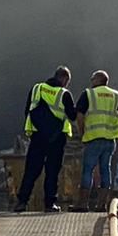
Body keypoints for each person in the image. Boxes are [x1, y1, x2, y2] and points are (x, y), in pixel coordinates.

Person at [15, 66, 78, 213]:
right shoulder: (64, 94)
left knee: (31, 170)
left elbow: (27, 110)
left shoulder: (37, 88)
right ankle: (49, 204)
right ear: (64, 79)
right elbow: (72, 116)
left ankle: (21, 202)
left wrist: (33, 129)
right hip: (56, 138)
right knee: (52, 171)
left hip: (37, 136)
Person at [75, 70, 118, 212]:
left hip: (93, 138)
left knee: (88, 170)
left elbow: (79, 115)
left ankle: (83, 204)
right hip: (109, 140)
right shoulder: (115, 95)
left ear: (97, 80)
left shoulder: (89, 94)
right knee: (105, 170)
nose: (91, 81)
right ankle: (101, 204)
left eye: (93, 79)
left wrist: (81, 133)